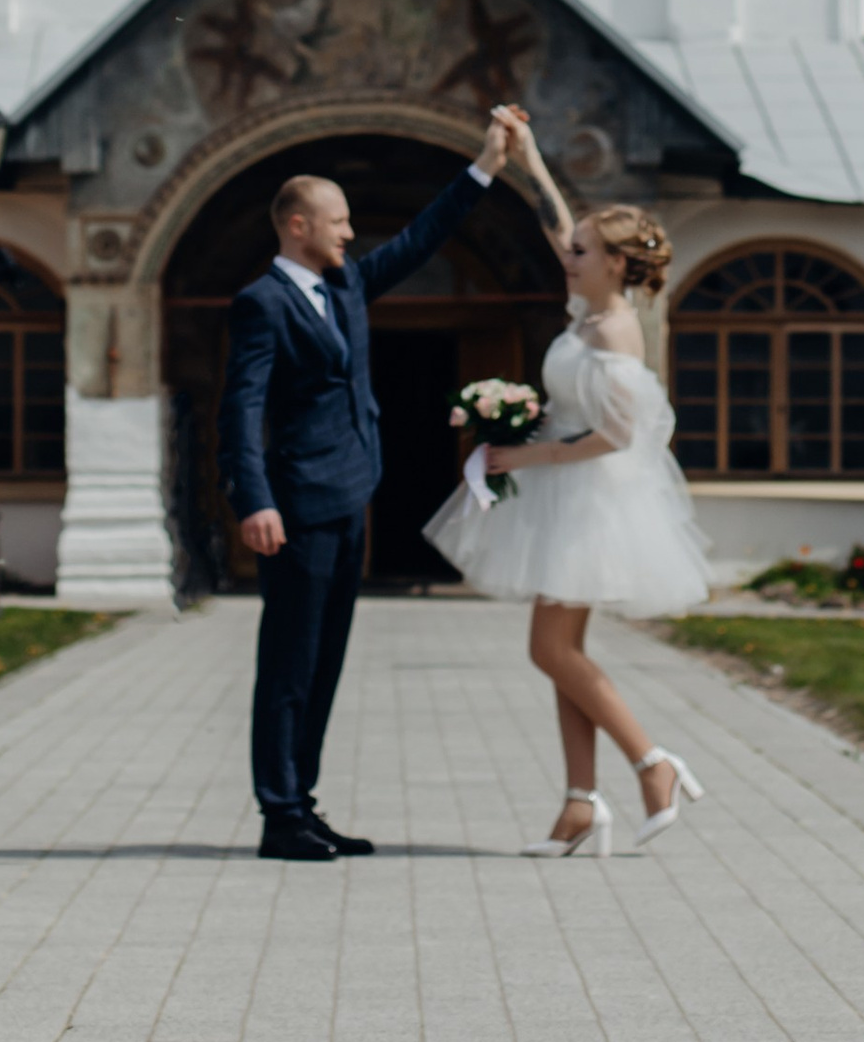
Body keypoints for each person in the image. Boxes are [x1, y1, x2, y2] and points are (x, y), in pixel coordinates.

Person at [219, 108, 521, 861]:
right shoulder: (262, 303)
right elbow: (240, 408)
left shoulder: (346, 284)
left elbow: (420, 239)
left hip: (351, 495)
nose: (350, 233)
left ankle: (303, 804)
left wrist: (485, 165)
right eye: (338, 221)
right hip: (295, 508)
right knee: (289, 664)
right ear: (296, 224)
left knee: (324, 664)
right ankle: (278, 815)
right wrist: (253, 499)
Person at [423, 115, 710, 856]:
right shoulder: (587, 304)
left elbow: (617, 437)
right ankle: (581, 805)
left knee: (552, 652)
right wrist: (530, 159)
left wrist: (522, 460)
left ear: (615, 264)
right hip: (565, 496)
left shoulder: (615, 331)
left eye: (581, 252)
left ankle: (653, 764)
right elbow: (557, 221)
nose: (566, 256)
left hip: (591, 503)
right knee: (561, 654)